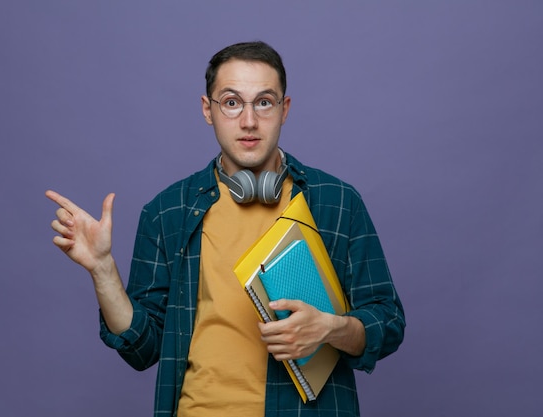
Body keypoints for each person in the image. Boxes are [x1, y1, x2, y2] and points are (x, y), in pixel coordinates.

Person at [46, 41, 405, 417]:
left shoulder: (337, 202)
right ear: (208, 110)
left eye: (264, 102)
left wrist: (331, 329)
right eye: (232, 102)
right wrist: (102, 268)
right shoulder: (167, 211)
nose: (248, 121)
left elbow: (389, 322)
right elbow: (143, 349)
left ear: (284, 110)